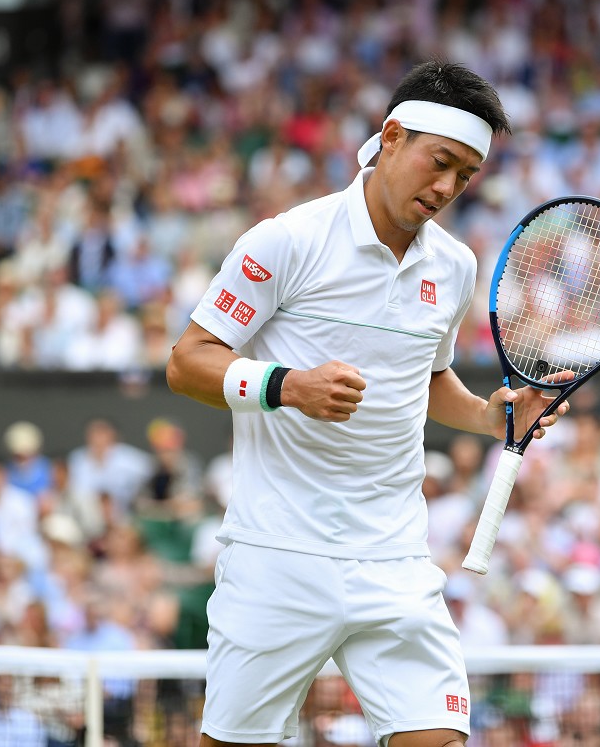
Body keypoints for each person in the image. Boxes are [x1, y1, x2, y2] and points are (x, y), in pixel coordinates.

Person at [166, 60, 568, 747]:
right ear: (391, 137)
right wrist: (287, 385)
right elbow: (188, 361)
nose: (447, 187)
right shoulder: (285, 240)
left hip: (394, 558)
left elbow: (429, 378)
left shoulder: (455, 265)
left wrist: (493, 415)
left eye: (466, 175)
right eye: (440, 162)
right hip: (277, 553)